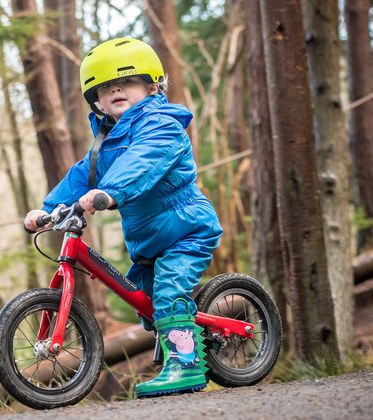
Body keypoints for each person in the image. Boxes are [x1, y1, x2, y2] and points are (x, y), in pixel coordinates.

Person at [23, 37, 223, 398]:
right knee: (146, 307)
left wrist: (109, 192)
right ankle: (178, 342)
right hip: (147, 240)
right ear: (96, 100)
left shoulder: (162, 125)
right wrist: (49, 210)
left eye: (126, 82)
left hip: (186, 229)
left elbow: (142, 161)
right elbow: (82, 175)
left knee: (168, 293)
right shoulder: (107, 144)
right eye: (104, 86)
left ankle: (186, 365)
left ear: (152, 86)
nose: (115, 89)